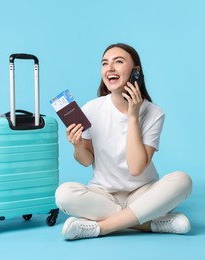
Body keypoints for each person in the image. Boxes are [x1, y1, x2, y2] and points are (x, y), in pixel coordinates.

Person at [55, 43, 193, 240]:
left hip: (143, 192)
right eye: (105, 64)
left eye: (118, 62)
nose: (109, 68)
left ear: (136, 72)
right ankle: (149, 223)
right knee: (63, 194)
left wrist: (133, 116)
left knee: (182, 180)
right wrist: (77, 145)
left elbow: (136, 168)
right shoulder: (91, 109)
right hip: (103, 195)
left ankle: (101, 228)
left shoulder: (154, 113)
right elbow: (86, 160)